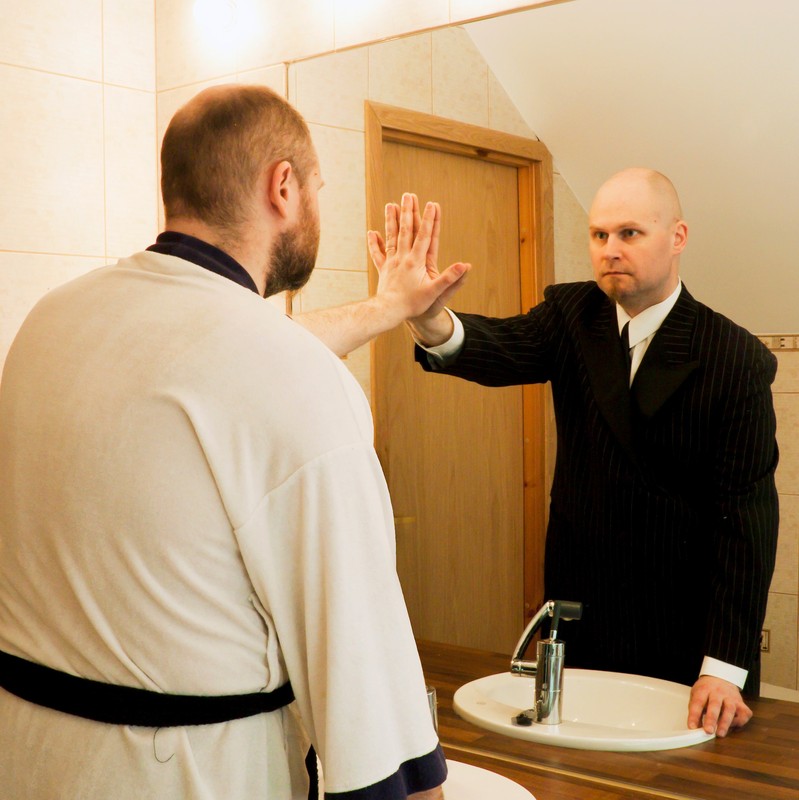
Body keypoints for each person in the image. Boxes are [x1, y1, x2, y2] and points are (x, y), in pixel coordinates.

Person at [0, 84, 457, 799]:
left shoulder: (52, 321)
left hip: (27, 757)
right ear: (283, 186)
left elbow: (213, 367)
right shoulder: (287, 377)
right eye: (316, 188)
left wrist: (387, 306)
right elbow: (359, 662)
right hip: (190, 776)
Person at [300, 169, 779, 740]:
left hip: (687, 643)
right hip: (586, 628)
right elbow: (496, 347)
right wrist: (425, 315)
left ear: (677, 237)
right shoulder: (574, 315)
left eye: (629, 233)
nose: (610, 250)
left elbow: (746, 524)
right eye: (599, 236)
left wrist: (724, 666)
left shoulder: (735, 358)